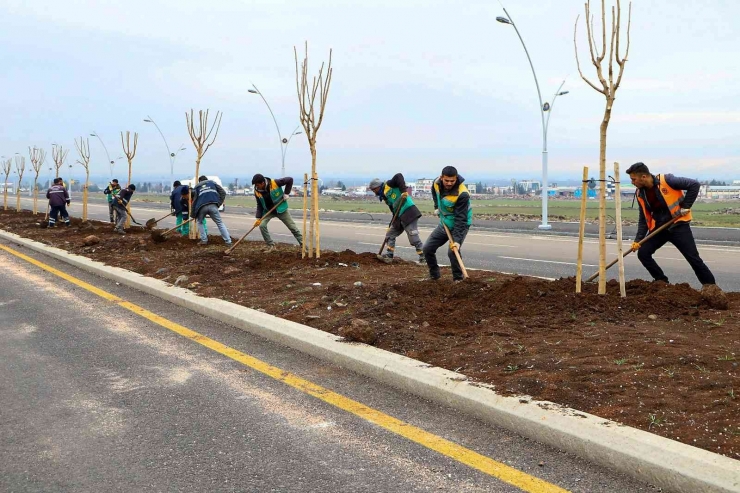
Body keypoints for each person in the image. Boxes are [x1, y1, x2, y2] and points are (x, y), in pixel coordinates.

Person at [627, 162, 717, 287]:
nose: (632, 182)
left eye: (633, 179)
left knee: (693, 258)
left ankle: (711, 287)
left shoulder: (667, 180)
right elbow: (643, 218)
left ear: (643, 177)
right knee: (643, 253)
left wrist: (686, 206)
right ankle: (661, 282)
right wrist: (638, 240)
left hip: (678, 226)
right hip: (660, 228)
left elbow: (694, 185)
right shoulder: (640, 193)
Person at [422, 166, 472, 281]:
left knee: (453, 252)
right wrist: (436, 206)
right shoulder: (436, 183)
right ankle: (434, 275)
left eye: (452, 181)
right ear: (441, 178)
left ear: (456, 178)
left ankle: (458, 279)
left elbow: (461, 219)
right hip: (444, 222)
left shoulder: (462, 194)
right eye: (446, 180)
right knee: (428, 248)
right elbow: (434, 192)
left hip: (460, 224)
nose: (449, 183)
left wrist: (457, 241)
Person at [368, 174, 425, 264]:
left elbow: (399, 176)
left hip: (408, 212)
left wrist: (403, 191)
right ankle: (389, 256)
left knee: (413, 237)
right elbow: (394, 211)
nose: (374, 192)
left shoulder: (389, 184)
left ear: (377, 187)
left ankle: (424, 257)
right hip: (399, 216)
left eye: (374, 190)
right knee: (390, 234)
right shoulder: (385, 196)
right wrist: (391, 224)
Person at [252, 174, 303, 252]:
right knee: (262, 225)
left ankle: (303, 245)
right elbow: (259, 204)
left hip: (281, 209)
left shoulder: (274, 183)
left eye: (257, 185)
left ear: (262, 183)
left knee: (293, 228)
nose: (256, 186)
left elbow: (290, 179)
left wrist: (286, 193)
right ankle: (271, 246)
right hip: (268, 211)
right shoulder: (257, 191)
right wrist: (258, 218)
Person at [192, 175, 231, 246]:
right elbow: (223, 193)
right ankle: (228, 241)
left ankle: (204, 240)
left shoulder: (197, 187)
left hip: (201, 207)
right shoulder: (213, 183)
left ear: (199, 181)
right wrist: (218, 203)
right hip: (213, 205)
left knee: (200, 222)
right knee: (220, 223)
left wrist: (193, 214)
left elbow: (194, 201)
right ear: (207, 180)